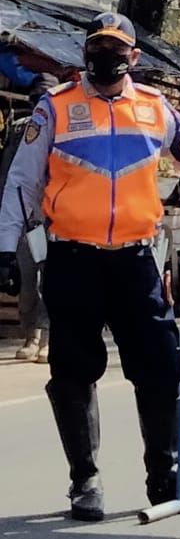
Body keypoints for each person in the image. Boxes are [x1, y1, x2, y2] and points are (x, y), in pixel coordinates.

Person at [0, 14, 180, 521]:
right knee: (72, 373)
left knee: (159, 368)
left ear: (134, 58)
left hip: (136, 261)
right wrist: (4, 248)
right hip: (72, 260)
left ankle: (164, 478)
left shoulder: (155, 109)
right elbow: (22, 181)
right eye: (97, 47)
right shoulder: (56, 108)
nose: (105, 56)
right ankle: (84, 482)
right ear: (85, 54)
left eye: (116, 49)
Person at [0, 72, 60, 362]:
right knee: (27, 280)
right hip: (27, 217)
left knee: (52, 279)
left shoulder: (65, 126)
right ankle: (30, 336)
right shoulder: (20, 130)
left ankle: (47, 337)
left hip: (56, 216)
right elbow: (8, 176)